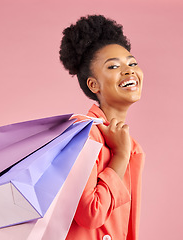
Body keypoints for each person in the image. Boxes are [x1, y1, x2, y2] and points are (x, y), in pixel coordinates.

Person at [59, 15, 145, 240]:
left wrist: (125, 151)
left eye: (132, 63)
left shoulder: (132, 146)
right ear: (93, 84)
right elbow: (91, 214)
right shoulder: (84, 134)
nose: (129, 71)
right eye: (114, 66)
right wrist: (120, 155)